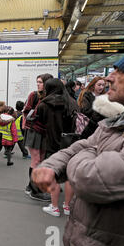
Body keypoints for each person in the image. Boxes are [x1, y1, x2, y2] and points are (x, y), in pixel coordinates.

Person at [32, 54, 124, 246]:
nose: (110, 77)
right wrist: (85, 154)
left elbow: (92, 178)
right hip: (90, 245)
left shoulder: (43, 104)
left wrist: (84, 154)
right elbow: (85, 144)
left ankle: (56, 205)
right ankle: (64, 205)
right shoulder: (116, 122)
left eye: (119, 72)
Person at [35, 78, 77, 217]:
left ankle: (54, 207)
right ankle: (67, 206)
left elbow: (39, 121)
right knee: (69, 175)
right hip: (70, 143)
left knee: (52, 174)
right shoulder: (71, 102)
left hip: (51, 143)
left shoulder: (44, 104)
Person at [22, 73, 53, 201]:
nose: (38, 84)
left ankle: (31, 186)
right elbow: (26, 111)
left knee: (40, 160)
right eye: (38, 82)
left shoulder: (50, 96)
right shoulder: (34, 95)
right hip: (34, 130)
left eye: (40, 82)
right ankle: (35, 191)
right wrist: (36, 112)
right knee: (36, 160)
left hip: (44, 132)